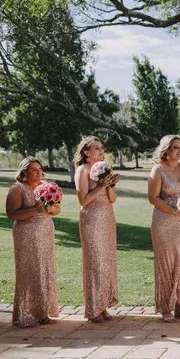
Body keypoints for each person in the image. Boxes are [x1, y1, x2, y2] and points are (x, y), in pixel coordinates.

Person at [148, 135, 180, 323]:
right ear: (166, 150)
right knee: (166, 263)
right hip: (164, 222)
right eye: (175, 147)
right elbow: (153, 198)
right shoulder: (158, 170)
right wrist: (174, 211)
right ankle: (165, 307)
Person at [6, 157, 60, 327]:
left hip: (45, 233)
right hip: (26, 235)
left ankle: (42, 312)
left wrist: (51, 208)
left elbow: (57, 209)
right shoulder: (17, 189)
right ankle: (24, 314)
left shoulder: (46, 187)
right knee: (28, 271)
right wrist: (35, 210)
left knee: (44, 270)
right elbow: (12, 214)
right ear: (24, 172)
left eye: (39, 169)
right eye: (34, 170)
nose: (38, 173)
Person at [74, 136, 120, 323]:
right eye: (96, 148)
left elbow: (113, 199)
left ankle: (103, 305)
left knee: (106, 260)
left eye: (102, 148)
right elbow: (83, 200)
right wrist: (101, 186)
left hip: (107, 216)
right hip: (91, 218)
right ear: (86, 152)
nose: (101, 151)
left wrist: (109, 185)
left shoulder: (105, 169)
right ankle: (93, 308)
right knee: (95, 260)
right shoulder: (82, 170)